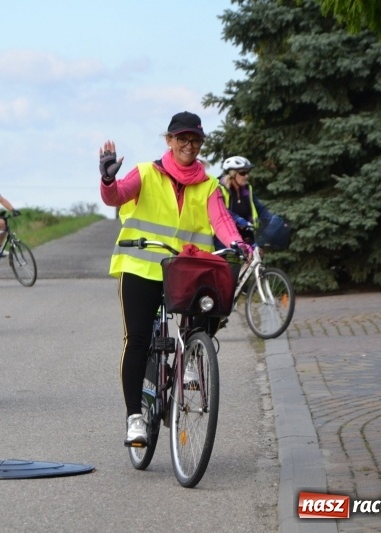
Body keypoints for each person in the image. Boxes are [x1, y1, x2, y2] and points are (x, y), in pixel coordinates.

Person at [99, 111, 252, 447]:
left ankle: (192, 362)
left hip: (185, 271)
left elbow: (222, 222)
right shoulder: (145, 174)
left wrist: (238, 244)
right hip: (141, 267)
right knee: (138, 339)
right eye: (181, 138)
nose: (188, 145)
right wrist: (108, 180)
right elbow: (115, 197)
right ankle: (134, 417)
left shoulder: (209, 185)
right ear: (168, 141)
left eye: (195, 139)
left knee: (209, 310)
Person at [216, 156, 273, 245]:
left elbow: (260, 208)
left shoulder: (247, 189)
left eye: (248, 172)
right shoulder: (219, 189)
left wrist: (272, 220)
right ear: (232, 174)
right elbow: (221, 211)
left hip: (247, 237)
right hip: (224, 239)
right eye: (243, 173)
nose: (247, 176)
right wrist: (238, 219)